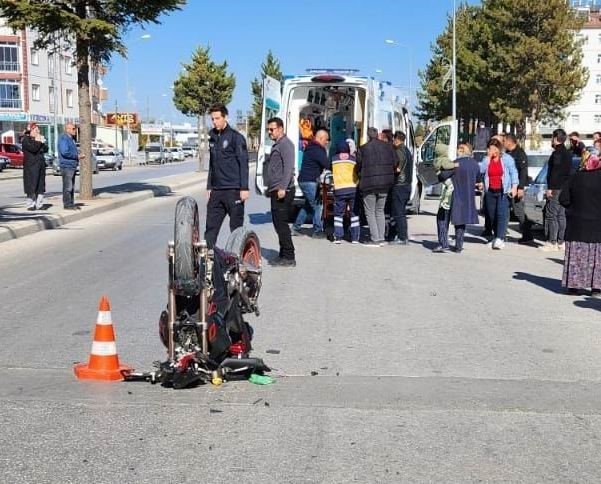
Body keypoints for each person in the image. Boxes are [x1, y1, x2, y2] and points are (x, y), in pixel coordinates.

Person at [204, 104, 249, 249]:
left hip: (233, 190)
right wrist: (209, 186)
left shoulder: (236, 138)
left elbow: (243, 163)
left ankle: (237, 261)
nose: (215, 122)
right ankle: (209, 259)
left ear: (225, 117)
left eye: (217, 118)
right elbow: (212, 164)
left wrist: (244, 187)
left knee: (236, 229)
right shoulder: (212, 137)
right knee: (211, 227)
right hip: (217, 191)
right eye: (212, 119)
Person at [559, 154, 601, 297]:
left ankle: (574, 287)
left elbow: (563, 199)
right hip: (597, 226)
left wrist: (574, 208)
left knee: (578, 256)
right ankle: (596, 288)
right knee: (597, 258)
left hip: (577, 224)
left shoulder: (575, 177)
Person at [434, 143, 480, 253]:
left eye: (458, 149)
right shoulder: (475, 164)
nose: (456, 151)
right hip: (467, 198)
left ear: (462, 150)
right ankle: (459, 246)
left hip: (452, 197)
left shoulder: (455, 164)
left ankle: (443, 243)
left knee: (442, 218)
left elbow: (442, 176)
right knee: (460, 222)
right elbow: (478, 179)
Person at [356, 127, 396, 247]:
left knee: (370, 211)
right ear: (377, 135)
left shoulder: (363, 149)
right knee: (380, 210)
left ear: (368, 136)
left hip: (369, 184)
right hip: (385, 183)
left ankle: (375, 238)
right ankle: (381, 237)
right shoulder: (388, 147)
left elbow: (358, 165)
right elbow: (395, 162)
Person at [265, 117, 296, 267]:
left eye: (272, 129)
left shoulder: (286, 145)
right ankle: (283, 253)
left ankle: (289, 256)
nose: (269, 132)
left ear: (280, 128)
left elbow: (289, 168)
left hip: (283, 190)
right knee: (278, 223)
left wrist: (283, 187)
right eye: (268, 129)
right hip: (276, 190)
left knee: (281, 223)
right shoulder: (278, 144)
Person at [479, 138, 518, 250]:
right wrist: (487, 158)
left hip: (503, 191)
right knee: (491, 215)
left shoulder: (506, 159)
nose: (490, 150)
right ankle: (495, 236)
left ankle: (500, 238)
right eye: (489, 148)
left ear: (498, 149)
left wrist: (514, 186)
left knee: (501, 214)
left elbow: (513, 172)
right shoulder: (487, 160)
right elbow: (481, 171)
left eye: (492, 148)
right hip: (490, 190)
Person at [292, 128, 330, 238]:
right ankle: (318, 231)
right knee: (317, 205)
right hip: (309, 181)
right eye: (326, 140)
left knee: (308, 205)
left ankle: (295, 227)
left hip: (306, 180)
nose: (327, 142)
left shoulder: (311, 147)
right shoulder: (317, 149)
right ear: (321, 138)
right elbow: (327, 164)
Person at [541, 128, 572, 252]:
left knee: (551, 215)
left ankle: (552, 242)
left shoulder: (557, 153)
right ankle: (561, 241)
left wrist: (550, 188)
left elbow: (556, 172)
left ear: (555, 138)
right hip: (564, 187)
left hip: (556, 188)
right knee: (561, 215)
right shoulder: (568, 153)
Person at [503, 134, 533, 244]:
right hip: (507, 186)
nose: (503, 143)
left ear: (509, 142)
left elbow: (523, 171)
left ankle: (527, 235)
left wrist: (520, 187)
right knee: (505, 210)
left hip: (516, 187)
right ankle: (502, 233)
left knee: (518, 211)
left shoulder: (520, 153)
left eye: (504, 141)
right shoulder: (507, 153)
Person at [331, 140, 359, 244]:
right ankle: (355, 238)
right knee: (354, 214)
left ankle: (338, 237)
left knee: (338, 214)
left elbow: (330, 171)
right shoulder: (353, 159)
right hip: (353, 189)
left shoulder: (333, 159)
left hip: (340, 190)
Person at [388, 131, 413, 245]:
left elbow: (398, 169)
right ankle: (398, 235)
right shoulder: (407, 151)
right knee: (400, 211)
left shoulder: (399, 151)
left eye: (394, 139)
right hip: (407, 184)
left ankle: (402, 237)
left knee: (399, 212)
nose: (393, 141)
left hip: (400, 185)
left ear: (397, 139)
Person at [21, 123, 48, 211]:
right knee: (31, 185)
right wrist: (38, 141)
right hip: (31, 167)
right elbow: (34, 149)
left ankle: (39, 204)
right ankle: (30, 204)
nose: (38, 132)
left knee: (40, 185)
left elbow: (45, 149)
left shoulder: (39, 139)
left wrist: (42, 142)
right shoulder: (26, 140)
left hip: (40, 165)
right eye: (36, 130)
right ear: (31, 131)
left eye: (38, 130)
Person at [58, 123, 84, 210]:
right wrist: (76, 156)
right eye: (73, 129)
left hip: (71, 165)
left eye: (75, 128)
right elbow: (64, 152)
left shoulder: (71, 139)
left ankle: (71, 203)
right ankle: (67, 204)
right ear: (67, 129)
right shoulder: (64, 138)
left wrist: (78, 153)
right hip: (66, 165)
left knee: (71, 186)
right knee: (68, 186)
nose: (75, 130)